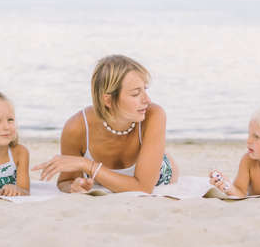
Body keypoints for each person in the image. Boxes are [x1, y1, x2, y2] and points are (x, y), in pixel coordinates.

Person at [32, 55, 178, 193]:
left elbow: (143, 187)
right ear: (108, 100)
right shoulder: (76, 127)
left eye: (145, 90)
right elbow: (66, 181)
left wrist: (87, 165)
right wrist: (74, 186)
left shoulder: (153, 115)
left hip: (159, 177)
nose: (147, 100)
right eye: (135, 94)